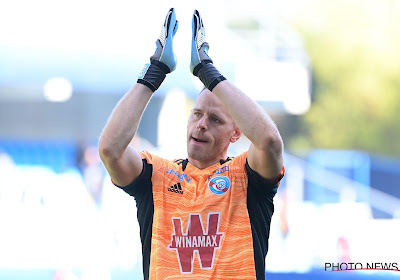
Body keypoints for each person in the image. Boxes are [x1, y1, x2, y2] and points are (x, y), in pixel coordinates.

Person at [98, 8, 285, 280]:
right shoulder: (157, 175)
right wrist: (155, 71)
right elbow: (109, 149)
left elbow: (269, 141)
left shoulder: (246, 176)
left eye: (215, 120)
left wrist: (207, 72)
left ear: (235, 134)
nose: (201, 124)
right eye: (196, 114)